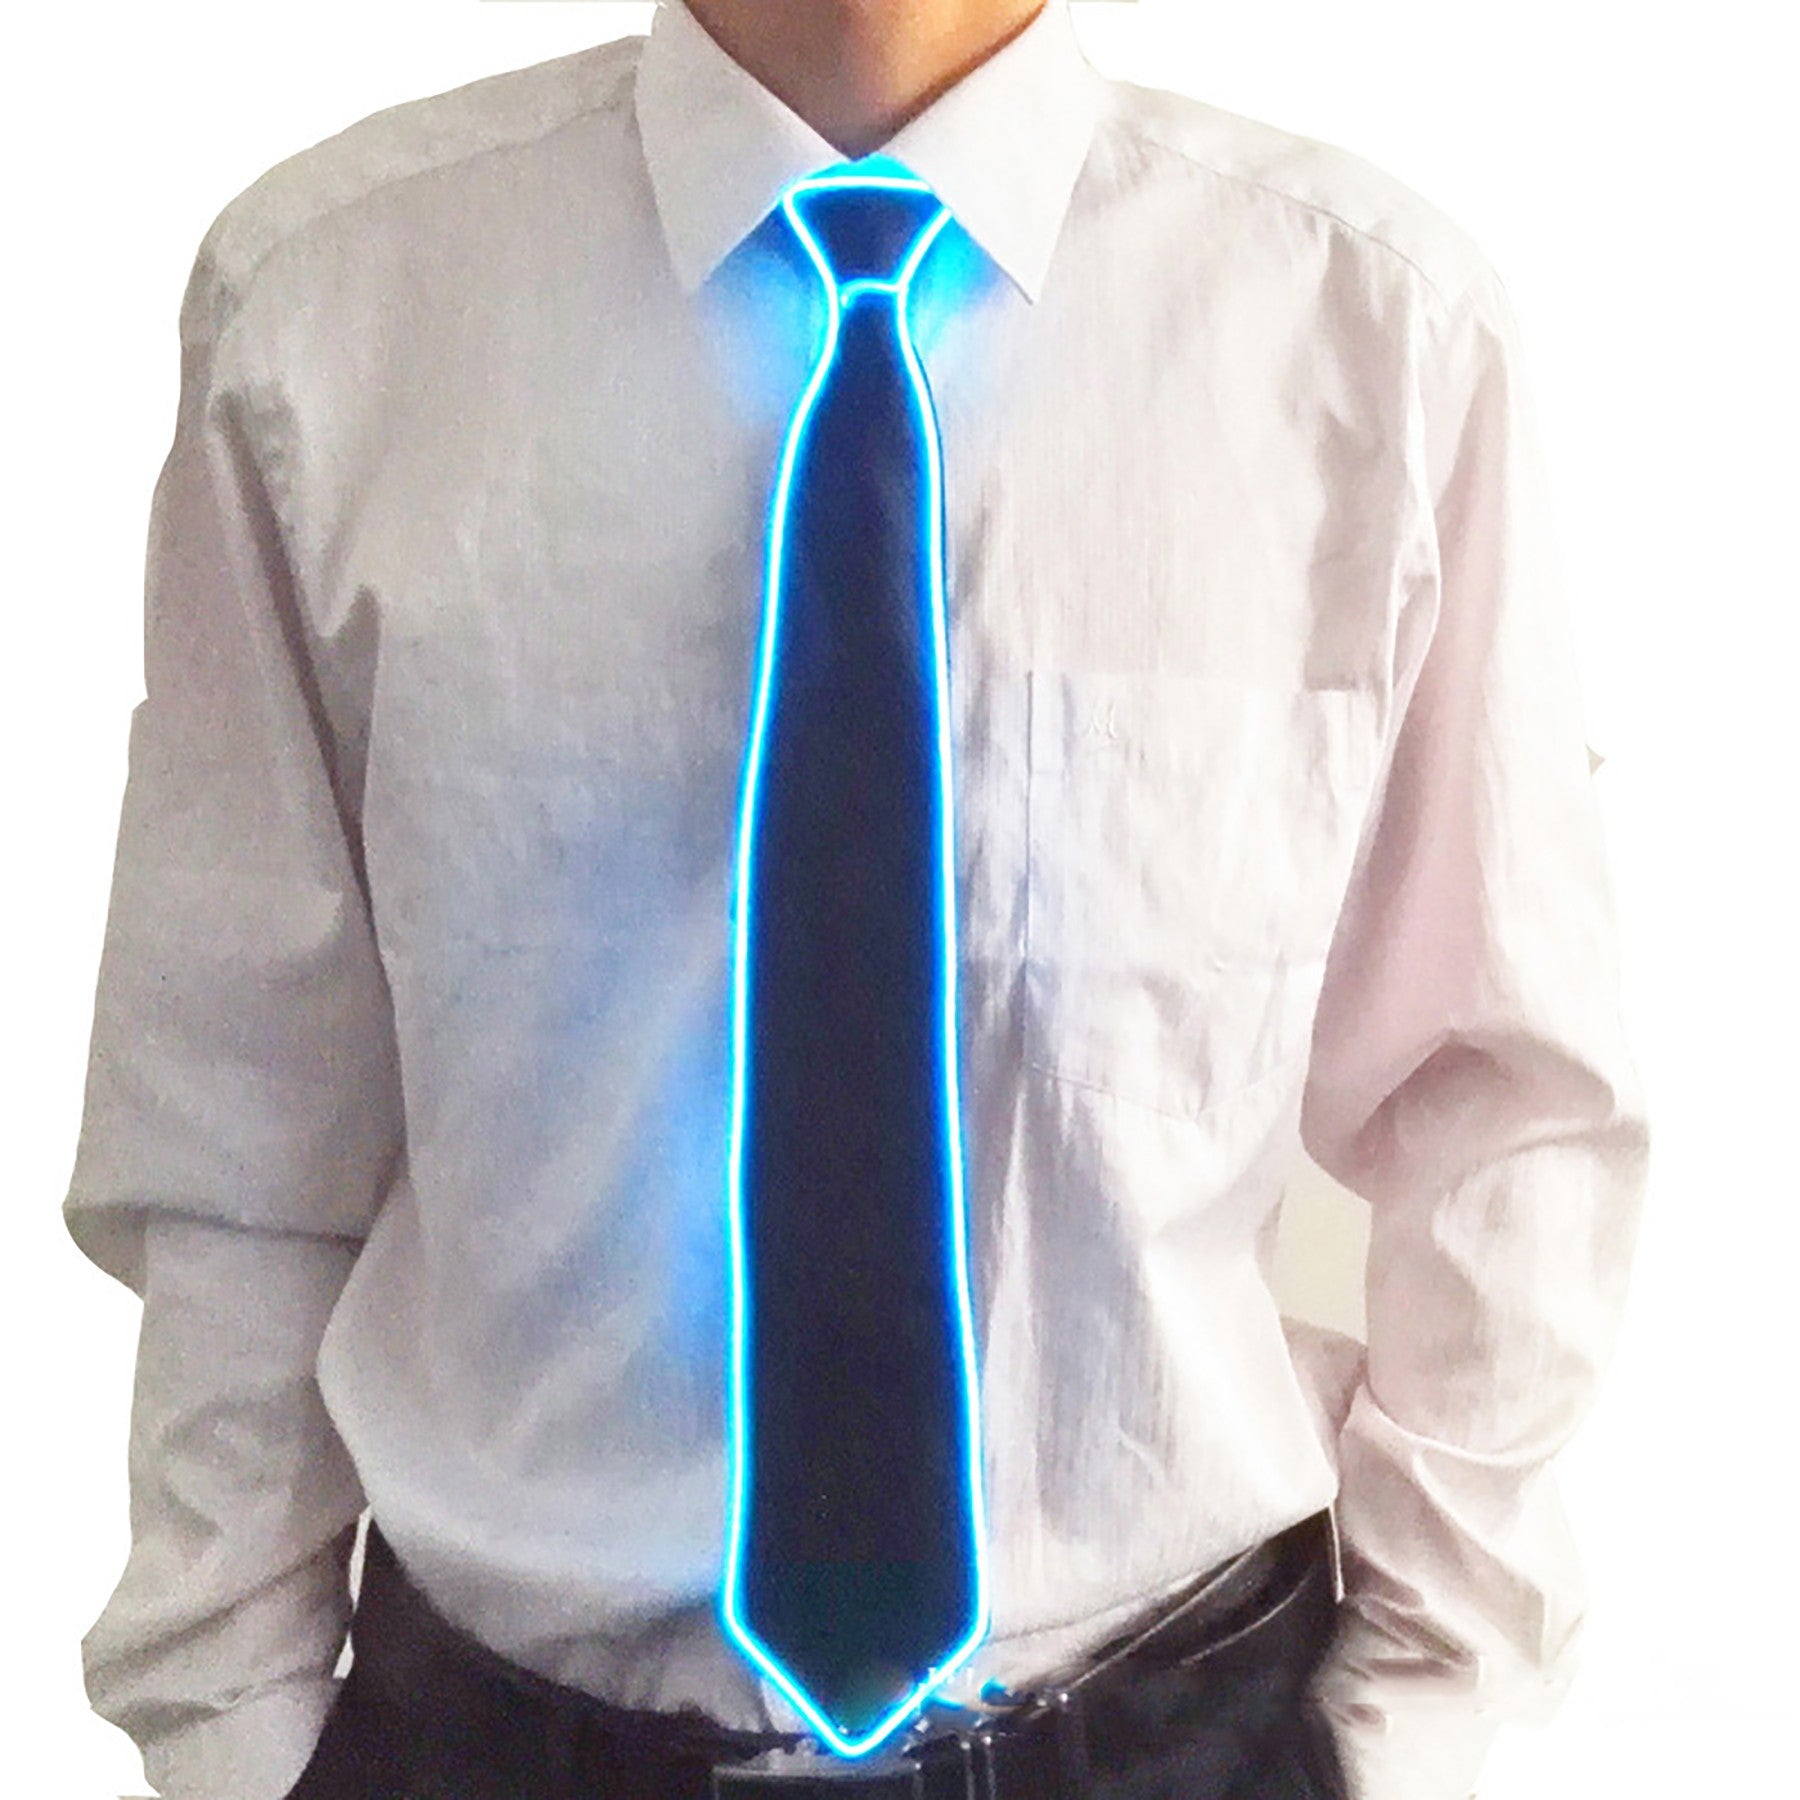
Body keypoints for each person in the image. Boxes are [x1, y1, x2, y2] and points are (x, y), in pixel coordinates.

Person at [61, 1, 1652, 1797]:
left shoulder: (1376, 338)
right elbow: (241, 1116)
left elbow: (1503, 1105)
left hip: (1181, 1731)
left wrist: (1408, 1730)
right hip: (490, 1740)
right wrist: (236, 1732)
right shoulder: (332, 317)